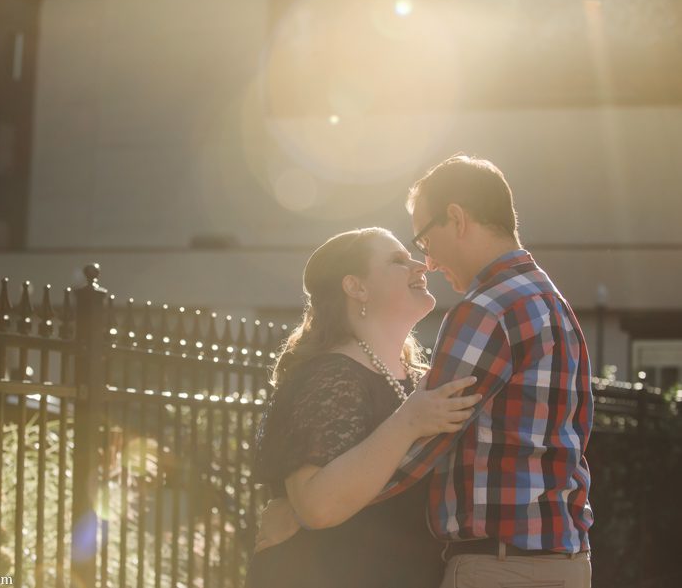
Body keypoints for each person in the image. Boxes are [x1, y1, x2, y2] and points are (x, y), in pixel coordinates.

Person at [256, 155, 595, 588]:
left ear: (455, 219)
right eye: (406, 257)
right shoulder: (552, 301)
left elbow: (423, 450)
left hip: (499, 566)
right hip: (562, 558)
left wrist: (308, 510)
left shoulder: (486, 309)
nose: (427, 263)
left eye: (423, 241)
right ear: (353, 286)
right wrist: (316, 502)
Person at [246, 227, 481, 588]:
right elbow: (318, 505)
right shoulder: (328, 376)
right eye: (397, 261)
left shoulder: (422, 380)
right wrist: (409, 423)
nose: (421, 266)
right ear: (356, 287)